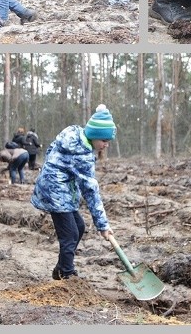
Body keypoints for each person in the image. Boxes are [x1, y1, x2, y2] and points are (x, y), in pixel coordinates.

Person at [31, 104, 117, 280]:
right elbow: (91, 191)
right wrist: (102, 224)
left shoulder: (73, 135)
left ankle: (61, 268)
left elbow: (50, 151)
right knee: (69, 234)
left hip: (59, 187)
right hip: (55, 192)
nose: (106, 145)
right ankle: (67, 274)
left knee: (79, 227)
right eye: (104, 140)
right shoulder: (82, 156)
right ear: (94, 136)